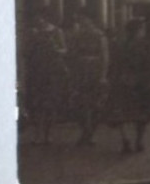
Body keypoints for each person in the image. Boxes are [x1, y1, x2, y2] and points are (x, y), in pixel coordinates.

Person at [109, 19, 150, 154]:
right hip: (141, 82)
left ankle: (126, 140)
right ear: (139, 30)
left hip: (123, 81)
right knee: (142, 113)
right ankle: (139, 141)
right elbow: (149, 64)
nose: (144, 31)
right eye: (142, 28)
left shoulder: (120, 45)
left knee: (122, 113)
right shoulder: (144, 45)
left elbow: (115, 64)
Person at [24, 16, 69, 145]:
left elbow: (64, 50)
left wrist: (55, 49)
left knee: (50, 104)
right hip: (37, 71)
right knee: (37, 105)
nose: (39, 21)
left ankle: (48, 135)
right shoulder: (33, 32)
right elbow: (26, 52)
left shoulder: (56, 32)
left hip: (52, 72)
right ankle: (38, 134)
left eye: (42, 19)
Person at [66, 13, 109, 147]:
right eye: (81, 21)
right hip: (80, 73)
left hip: (94, 73)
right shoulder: (76, 36)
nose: (83, 24)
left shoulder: (99, 36)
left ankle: (89, 133)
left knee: (95, 104)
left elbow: (104, 56)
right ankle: (85, 131)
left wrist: (102, 75)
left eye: (85, 20)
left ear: (91, 21)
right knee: (79, 104)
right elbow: (72, 54)